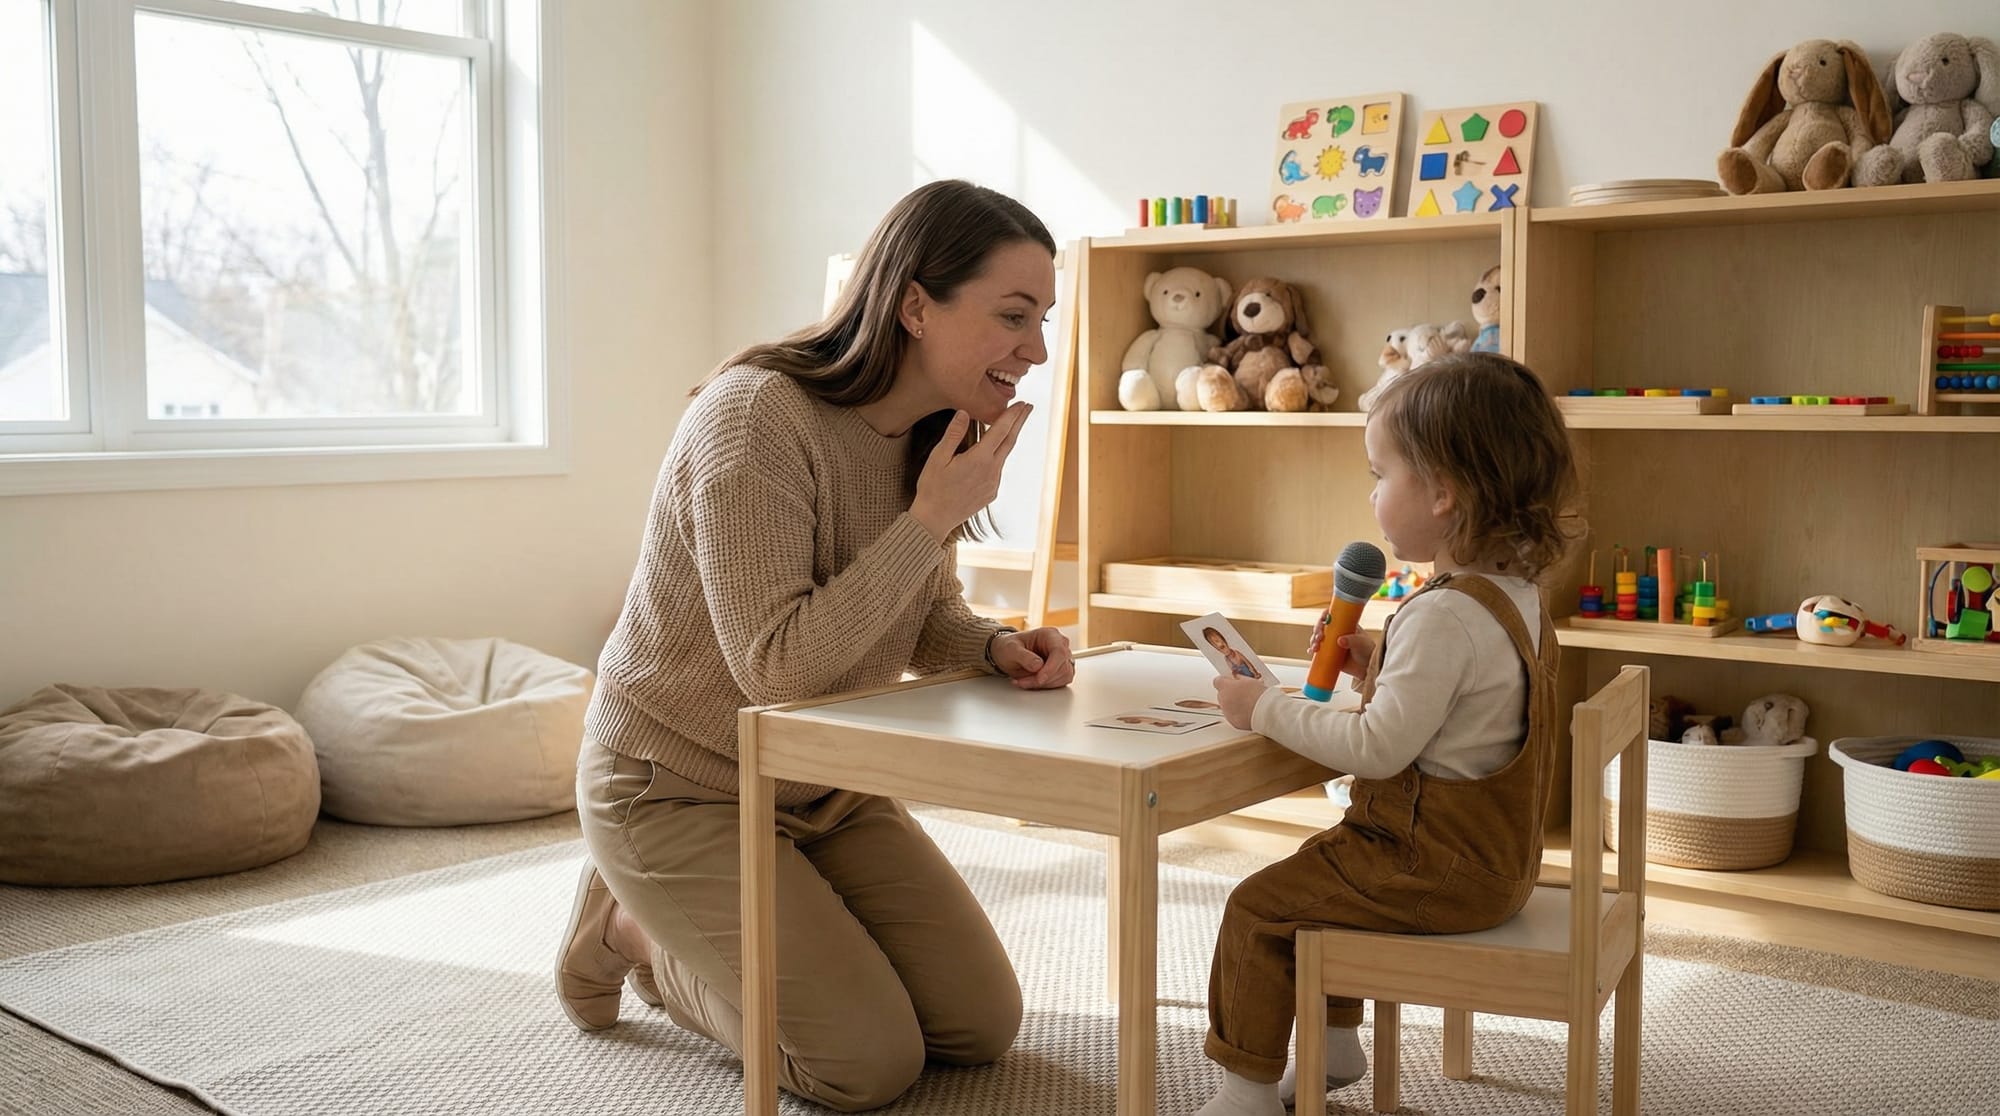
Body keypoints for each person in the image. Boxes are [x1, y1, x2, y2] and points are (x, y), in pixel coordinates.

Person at [556, 180, 1076, 1113]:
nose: (1036, 350)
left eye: (1041, 319)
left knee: (978, 1025)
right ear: (916, 304)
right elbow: (779, 669)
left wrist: (995, 647)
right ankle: (630, 931)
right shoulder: (754, 417)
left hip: (823, 784)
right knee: (864, 1065)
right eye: (1013, 315)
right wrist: (929, 522)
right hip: (675, 782)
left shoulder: (933, 434)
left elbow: (919, 620)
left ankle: (732, 919)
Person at [1194, 353, 1581, 1116]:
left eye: (1380, 474)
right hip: (1496, 860)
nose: (1371, 493)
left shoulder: (1443, 614)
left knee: (1261, 907)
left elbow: (1378, 748)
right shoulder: (1511, 597)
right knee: (1319, 874)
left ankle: (1242, 1093)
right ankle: (1334, 1047)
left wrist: (1263, 707)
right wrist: (1380, 659)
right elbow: (1466, 711)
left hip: (1430, 864)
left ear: (1443, 492)